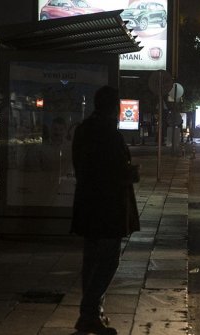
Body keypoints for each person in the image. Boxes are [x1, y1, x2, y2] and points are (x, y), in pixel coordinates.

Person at [71, 85, 140, 335]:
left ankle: (91, 313)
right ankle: (88, 312)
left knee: (90, 260)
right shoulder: (108, 133)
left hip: (88, 205)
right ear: (113, 107)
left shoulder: (83, 129)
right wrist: (131, 174)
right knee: (108, 261)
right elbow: (114, 172)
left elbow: (80, 165)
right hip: (108, 206)